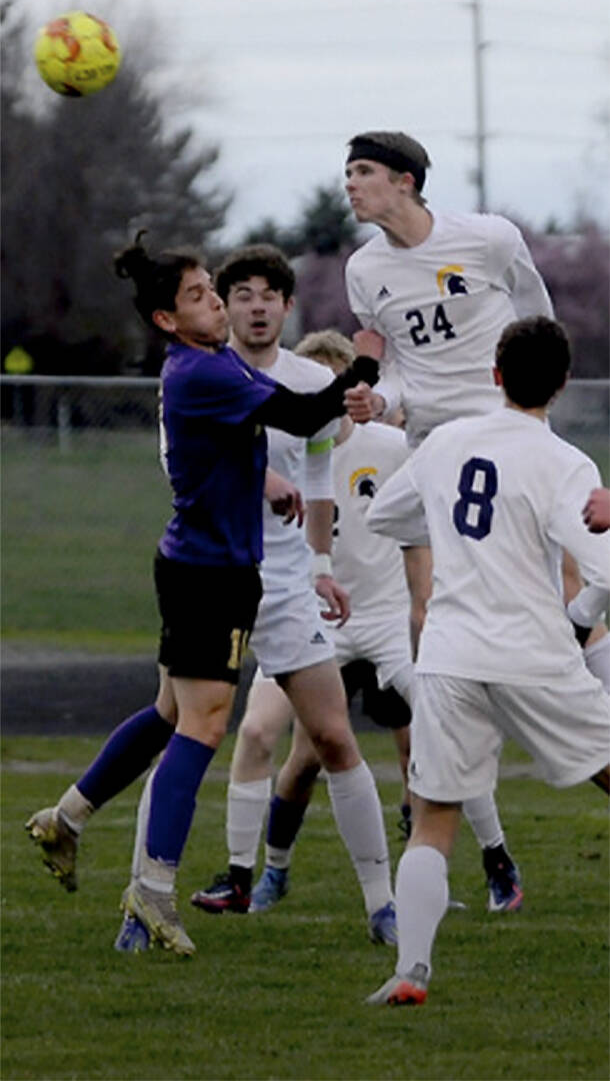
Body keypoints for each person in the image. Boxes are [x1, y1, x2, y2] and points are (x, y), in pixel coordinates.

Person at [25, 234, 382, 956]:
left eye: (213, 290)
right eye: (201, 295)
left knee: (171, 715)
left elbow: (290, 421)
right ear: (167, 319)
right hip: (209, 575)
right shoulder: (201, 370)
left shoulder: (213, 358)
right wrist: (366, 362)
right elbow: (304, 417)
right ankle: (151, 890)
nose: (218, 303)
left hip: (215, 568)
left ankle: (68, 817)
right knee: (205, 726)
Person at [363, 315, 610, 1006]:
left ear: (494, 375)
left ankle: (411, 970)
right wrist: (579, 619)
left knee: (434, 816)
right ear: (562, 384)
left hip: (449, 656)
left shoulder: (446, 442)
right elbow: (603, 568)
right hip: (533, 652)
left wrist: (448, 527)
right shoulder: (564, 462)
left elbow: (385, 516)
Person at [244, 330, 522, 916]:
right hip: (316, 618)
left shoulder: (391, 448)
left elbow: (427, 518)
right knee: (293, 752)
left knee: (442, 731)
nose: (328, 395)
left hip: (388, 617)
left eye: (337, 383)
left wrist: (426, 602)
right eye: (315, 385)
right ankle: (271, 870)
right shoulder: (285, 450)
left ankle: (496, 860)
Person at [342, 129, 610, 695]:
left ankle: (571, 665)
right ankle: (448, 706)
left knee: (550, 583)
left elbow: (538, 321)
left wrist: (533, 396)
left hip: (505, 429)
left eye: (363, 171)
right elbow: (396, 366)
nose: (350, 184)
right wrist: (380, 399)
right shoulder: (363, 271)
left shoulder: (488, 238)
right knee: (405, 544)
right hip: (433, 445)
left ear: (405, 182)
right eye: (348, 173)